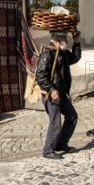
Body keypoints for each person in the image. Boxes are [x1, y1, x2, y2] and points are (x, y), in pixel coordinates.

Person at [36, 30, 82, 159]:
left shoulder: (63, 54)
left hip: (61, 93)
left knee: (72, 116)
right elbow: (40, 76)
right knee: (55, 122)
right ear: (56, 41)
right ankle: (48, 150)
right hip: (52, 95)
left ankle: (61, 144)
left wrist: (77, 41)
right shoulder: (46, 55)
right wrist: (51, 90)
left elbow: (76, 57)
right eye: (64, 39)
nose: (67, 42)